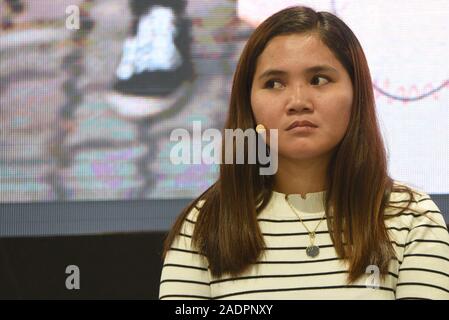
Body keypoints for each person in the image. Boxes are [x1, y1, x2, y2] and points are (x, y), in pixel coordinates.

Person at [159, 6, 449, 300]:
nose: (298, 101)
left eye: (319, 80)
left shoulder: (414, 219)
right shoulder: (204, 225)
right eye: (274, 83)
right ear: (249, 104)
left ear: (356, 92)